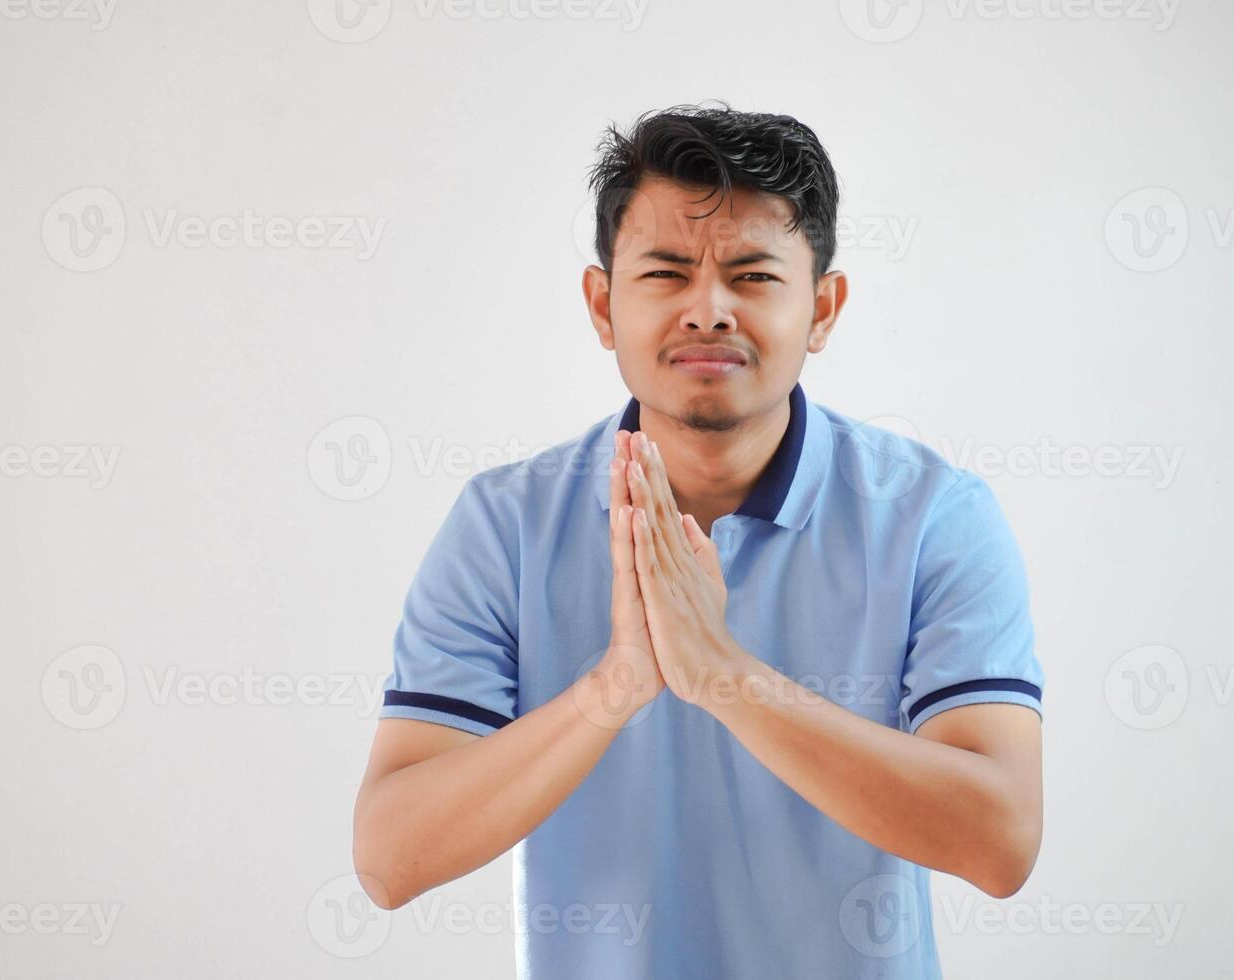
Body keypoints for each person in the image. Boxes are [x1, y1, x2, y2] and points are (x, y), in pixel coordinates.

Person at [352, 100, 1046, 979]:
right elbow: (387, 859)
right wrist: (612, 689)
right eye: (667, 273)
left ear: (823, 309)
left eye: (753, 276)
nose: (708, 310)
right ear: (602, 305)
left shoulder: (933, 517)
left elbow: (1002, 840)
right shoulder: (505, 524)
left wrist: (724, 676)